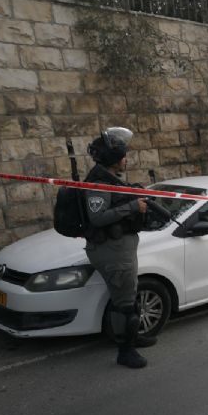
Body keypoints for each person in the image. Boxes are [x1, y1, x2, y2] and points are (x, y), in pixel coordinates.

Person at [83, 127, 155, 369]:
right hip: (111, 251)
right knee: (124, 303)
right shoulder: (98, 183)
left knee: (128, 296)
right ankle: (126, 351)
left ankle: (133, 337)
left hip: (119, 248)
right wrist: (133, 207)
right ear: (114, 159)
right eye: (123, 156)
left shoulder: (108, 177)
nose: (126, 159)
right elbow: (97, 218)